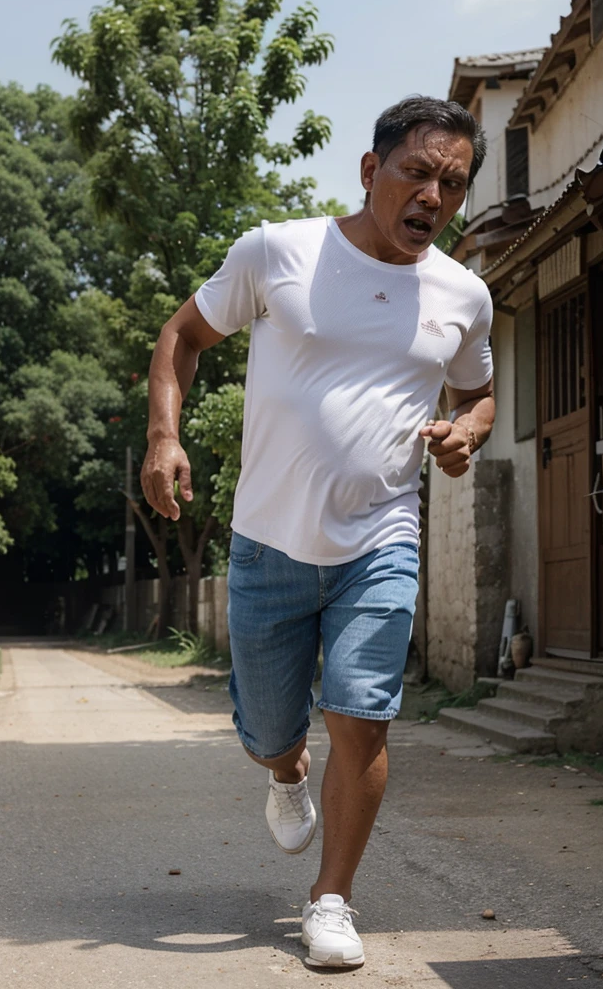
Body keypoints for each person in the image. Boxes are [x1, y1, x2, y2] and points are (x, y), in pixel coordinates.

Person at [141, 95, 496, 969]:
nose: (433, 197)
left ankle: (331, 900)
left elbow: (477, 391)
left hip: (382, 539)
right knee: (273, 728)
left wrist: (469, 433)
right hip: (267, 542)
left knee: (362, 719)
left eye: (451, 184)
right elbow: (183, 335)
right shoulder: (278, 251)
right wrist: (162, 435)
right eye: (418, 173)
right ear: (372, 171)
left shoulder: (464, 293)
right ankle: (284, 770)